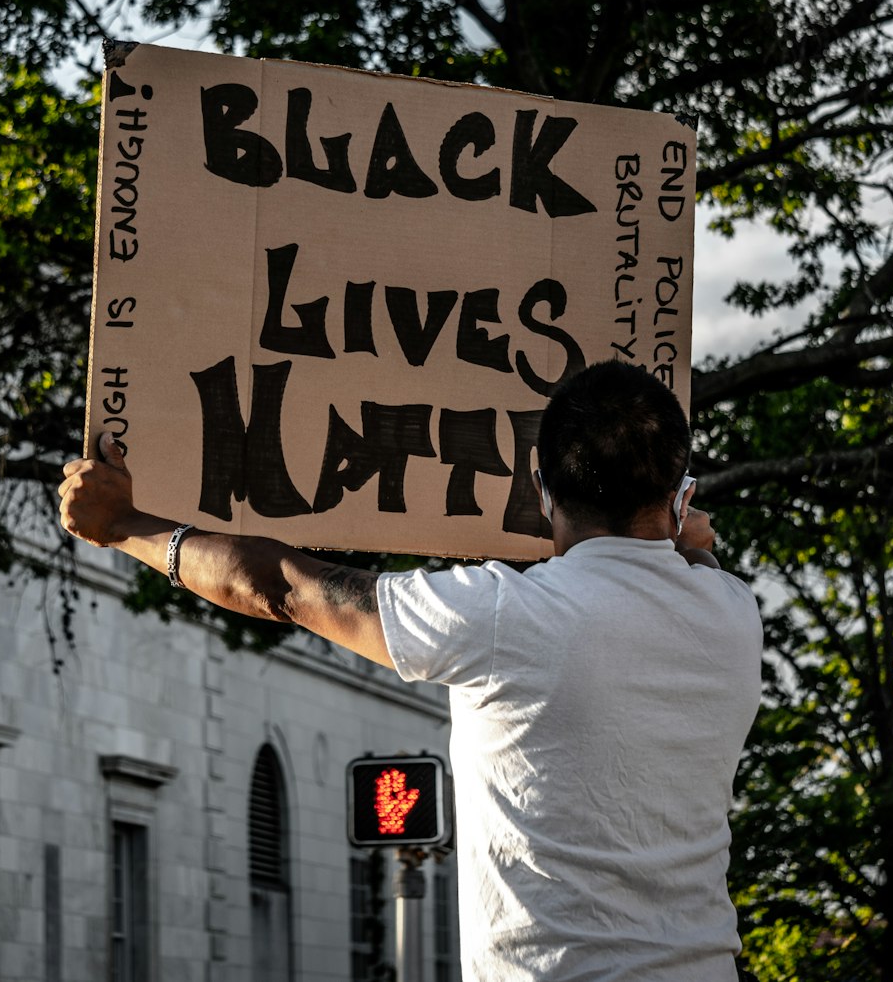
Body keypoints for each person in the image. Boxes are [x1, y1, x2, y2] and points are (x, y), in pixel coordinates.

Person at [59, 359, 763, 982]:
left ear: (540, 487)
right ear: (679, 495)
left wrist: (124, 524)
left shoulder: (500, 615)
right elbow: (695, 562)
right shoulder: (734, 615)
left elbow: (286, 587)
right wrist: (686, 538)